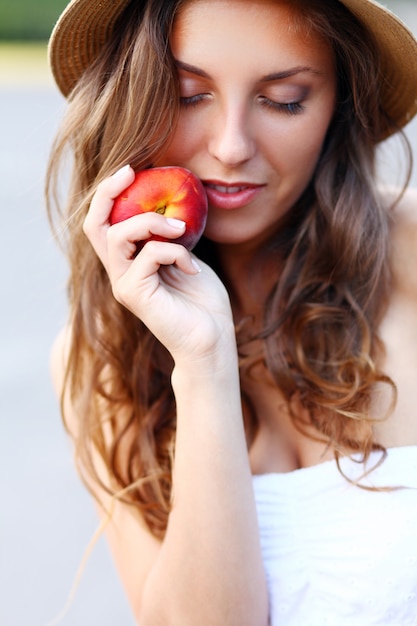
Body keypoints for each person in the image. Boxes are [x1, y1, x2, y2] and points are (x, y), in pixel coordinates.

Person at [46, 0, 417, 624]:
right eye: (188, 95)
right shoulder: (99, 361)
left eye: (286, 98)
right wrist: (202, 364)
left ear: (339, 105)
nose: (232, 145)